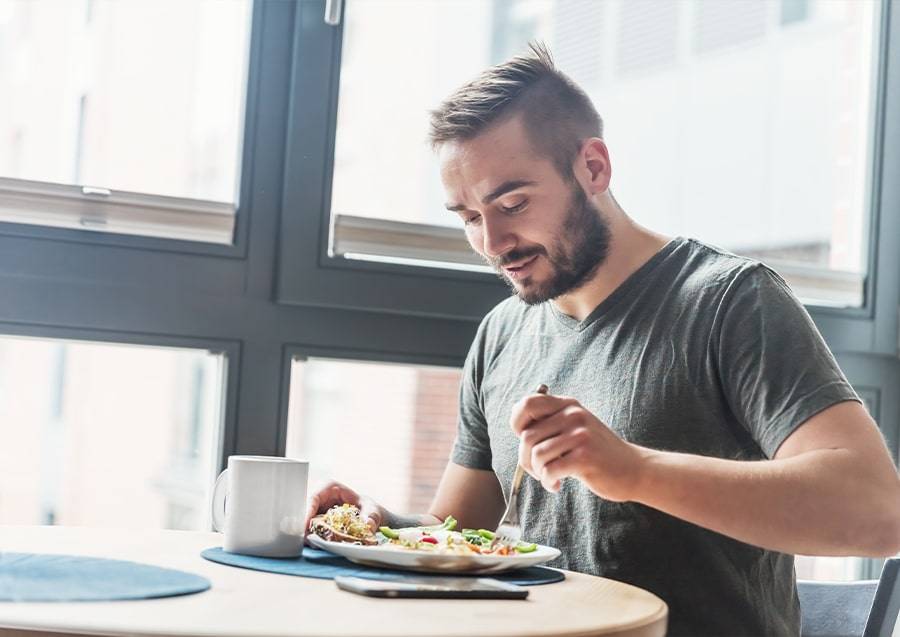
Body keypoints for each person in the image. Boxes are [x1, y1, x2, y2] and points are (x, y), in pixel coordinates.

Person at [305, 44, 900, 636]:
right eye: (468, 217)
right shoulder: (502, 332)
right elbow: (458, 534)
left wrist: (636, 471)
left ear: (593, 167)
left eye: (512, 203)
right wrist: (382, 529)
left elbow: (879, 513)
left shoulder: (730, 301)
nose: (493, 242)